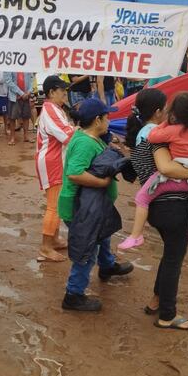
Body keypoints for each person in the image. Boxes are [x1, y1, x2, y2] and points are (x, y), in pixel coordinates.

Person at [127, 89, 188, 329]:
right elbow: (166, 168)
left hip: (158, 203)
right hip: (173, 205)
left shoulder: (149, 133)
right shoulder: (159, 136)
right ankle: (168, 315)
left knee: (170, 254)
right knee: (173, 259)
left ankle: (156, 301)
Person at [58, 99, 134, 312]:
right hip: (81, 207)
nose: (109, 120)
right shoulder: (85, 143)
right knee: (87, 248)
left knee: (103, 234)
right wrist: (102, 182)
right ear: (97, 120)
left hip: (93, 205)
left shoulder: (89, 137)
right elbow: (74, 173)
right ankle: (73, 294)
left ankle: (107, 266)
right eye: (107, 116)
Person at [119, 92, 188, 251]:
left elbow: (154, 139)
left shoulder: (171, 130)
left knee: (141, 198)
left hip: (171, 180)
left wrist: (166, 123)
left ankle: (136, 235)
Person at [35, 76, 74, 263]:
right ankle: (45, 247)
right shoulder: (50, 109)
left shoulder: (54, 109)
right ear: (51, 92)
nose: (65, 94)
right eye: (62, 91)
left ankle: (54, 239)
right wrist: (85, 131)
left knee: (56, 204)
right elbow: (66, 135)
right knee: (54, 206)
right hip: (53, 161)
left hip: (55, 160)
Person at [4, 71, 34, 146]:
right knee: (12, 117)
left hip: (26, 96)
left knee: (26, 116)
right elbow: (8, 81)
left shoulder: (26, 66)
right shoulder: (9, 65)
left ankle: (26, 136)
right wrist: (21, 93)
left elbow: (31, 79)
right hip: (14, 96)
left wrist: (29, 91)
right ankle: (12, 137)